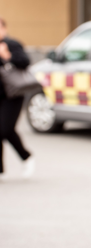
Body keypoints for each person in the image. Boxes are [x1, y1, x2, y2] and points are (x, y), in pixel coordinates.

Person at [0, 16, 35, 180]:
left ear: (4, 29)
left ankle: (26, 156)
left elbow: (25, 62)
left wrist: (7, 56)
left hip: (13, 95)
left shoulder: (12, 44)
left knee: (4, 130)